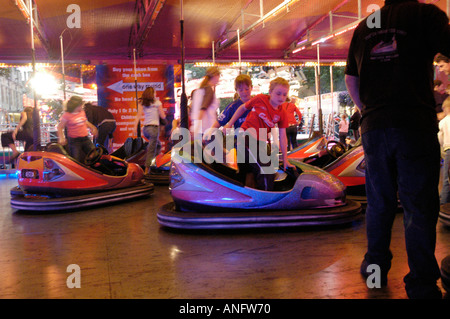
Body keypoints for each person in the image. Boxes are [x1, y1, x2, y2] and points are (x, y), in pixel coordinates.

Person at [345, 0, 450, 299]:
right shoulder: (425, 14)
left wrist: (369, 111)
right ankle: (421, 285)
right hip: (413, 123)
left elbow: (351, 78)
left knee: (379, 202)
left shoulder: (365, 25)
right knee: (418, 206)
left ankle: (375, 269)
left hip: (375, 126)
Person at [224, 77, 295, 190]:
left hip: (260, 142)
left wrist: (286, 160)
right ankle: (267, 200)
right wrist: (229, 124)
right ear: (270, 92)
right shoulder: (260, 99)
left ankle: (250, 196)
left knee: (248, 171)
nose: (281, 97)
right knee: (266, 170)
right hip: (246, 137)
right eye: (278, 93)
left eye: (284, 94)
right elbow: (242, 108)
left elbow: (283, 136)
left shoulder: (282, 113)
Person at [133, 87, 166, 175]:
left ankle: (154, 163)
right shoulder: (157, 102)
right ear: (153, 94)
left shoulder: (142, 103)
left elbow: (138, 116)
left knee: (158, 145)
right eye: (154, 92)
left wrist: (135, 127)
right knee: (152, 149)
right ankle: (147, 170)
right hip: (154, 129)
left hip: (146, 130)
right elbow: (162, 116)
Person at [57, 96, 98, 163]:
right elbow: (60, 127)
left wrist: (92, 127)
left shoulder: (82, 112)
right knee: (76, 159)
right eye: (81, 105)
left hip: (85, 138)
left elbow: (84, 122)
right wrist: (61, 138)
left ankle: (91, 169)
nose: (82, 107)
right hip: (74, 141)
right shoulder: (67, 115)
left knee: (94, 154)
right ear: (76, 106)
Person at [190, 67, 221, 138]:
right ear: (215, 76)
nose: (218, 80)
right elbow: (203, 109)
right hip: (208, 129)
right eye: (218, 77)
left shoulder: (198, 91)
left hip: (201, 129)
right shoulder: (209, 91)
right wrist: (197, 127)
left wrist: (196, 127)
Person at [438, 97, 450, 204]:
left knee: (447, 179)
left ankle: (444, 204)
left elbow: (439, 138)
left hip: (448, 151)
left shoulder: (443, 121)